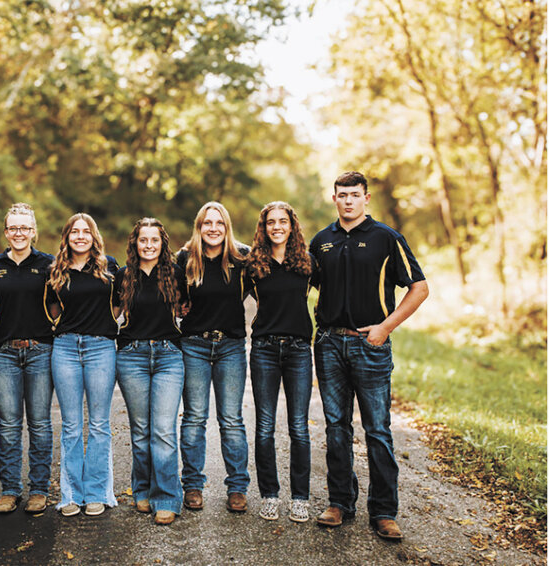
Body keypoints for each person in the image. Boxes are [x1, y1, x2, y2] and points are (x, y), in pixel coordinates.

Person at [310, 171, 428, 540]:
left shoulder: (386, 239)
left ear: (366, 198)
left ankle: (383, 511)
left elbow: (419, 288)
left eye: (354, 195)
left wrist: (386, 327)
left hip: (370, 344)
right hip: (329, 344)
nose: (348, 201)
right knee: (336, 427)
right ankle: (339, 503)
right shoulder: (321, 241)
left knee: (377, 430)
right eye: (342, 195)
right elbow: (296, 284)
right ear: (334, 198)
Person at [176, 201, 251, 513]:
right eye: (207, 223)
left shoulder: (241, 256)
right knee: (194, 418)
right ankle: (193, 485)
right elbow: (176, 296)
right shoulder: (185, 257)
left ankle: (237, 487)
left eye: (219, 223)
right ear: (199, 226)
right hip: (193, 344)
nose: (213, 228)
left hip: (231, 346)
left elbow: (249, 291)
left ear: (227, 226)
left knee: (231, 420)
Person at [113, 218, 188, 525]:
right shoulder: (123, 276)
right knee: (141, 431)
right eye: (143, 240)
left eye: (154, 240)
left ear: (162, 243)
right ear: (135, 243)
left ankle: (167, 496)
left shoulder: (175, 274)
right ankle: (141, 490)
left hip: (169, 356)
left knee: (163, 431)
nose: (148, 245)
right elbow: (111, 315)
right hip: (131, 357)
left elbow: (187, 309)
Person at [246, 202, 316, 523]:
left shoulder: (307, 262)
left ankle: (300, 497)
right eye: (271, 222)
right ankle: (270, 495)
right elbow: (226, 295)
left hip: (300, 349)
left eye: (282, 221)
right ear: (263, 227)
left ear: (292, 225)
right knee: (264, 427)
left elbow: (333, 293)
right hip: (264, 349)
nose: (277, 226)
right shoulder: (253, 264)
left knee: (299, 427)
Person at [48, 213, 119, 517]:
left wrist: (107, 322)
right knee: (72, 425)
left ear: (93, 236)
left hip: (101, 347)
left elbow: (118, 304)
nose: (80, 236)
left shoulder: (109, 267)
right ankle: (70, 495)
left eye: (85, 231)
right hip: (65, 347)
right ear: (66, 237)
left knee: (100, 424)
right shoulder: (56, 270)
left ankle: (97, 492)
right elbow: (51, 307)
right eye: (74, 231)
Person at [0, 203, 56, 514]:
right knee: (9, 424)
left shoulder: (48, 264)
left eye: (24, 228)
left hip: (41, 350)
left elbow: (60, 304)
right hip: (4, 353)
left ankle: (39, 488)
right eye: (13, 227)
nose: (19, 233)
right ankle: (11, 489)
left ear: (33, 232)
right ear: (6, 232)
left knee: (40, 424)